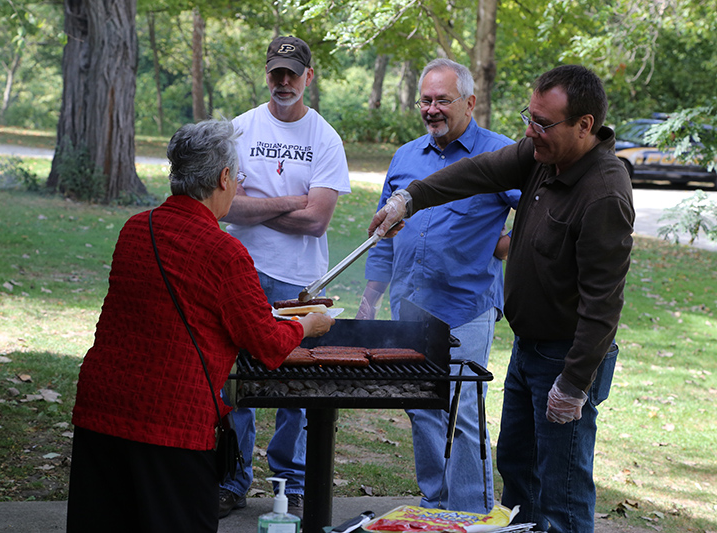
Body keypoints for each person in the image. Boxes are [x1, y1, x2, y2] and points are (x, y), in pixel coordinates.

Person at [368, 65, 634, 533]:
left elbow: (603, 303)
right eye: (529, 118)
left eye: (544, 123)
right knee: (518, 473)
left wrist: (573, 385)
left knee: (562, 490)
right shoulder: (541, 155)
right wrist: (409, 198)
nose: (532, 132)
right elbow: (476, 171)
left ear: (585, 125)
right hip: (528, 348)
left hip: (565, 357)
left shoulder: (603, 192)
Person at [66, 120, 335, 533]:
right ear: (224, 178)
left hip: (102, 409)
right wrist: (308, 326)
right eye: (239, 177)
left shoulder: (136, 228)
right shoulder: (225, 251)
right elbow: (266, 343)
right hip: (171, 419)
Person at [356, 58, 520, 514]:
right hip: (409, 306)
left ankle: (470, 514)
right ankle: (435, 504)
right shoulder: (406, 156)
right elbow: (382, 234)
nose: (432, 109)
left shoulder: (500, 153)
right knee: (421, 406)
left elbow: (539, 212)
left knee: (462, 412)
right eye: (426, 100)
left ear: (470, 102)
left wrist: (504, 243)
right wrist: (371, 296)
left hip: (467, 306)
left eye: (442, 100)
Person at [218, 35, 351, 518]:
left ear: (308, 78)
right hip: (243, 271)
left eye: (293, 73)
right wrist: (292, 201)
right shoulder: (238, 130)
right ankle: (232, 479)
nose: (284, 81)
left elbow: (318, 221)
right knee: (237, 382)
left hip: (302, 282)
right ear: (267, 73)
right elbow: (222, 206)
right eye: (277, 72)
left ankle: (290, 482)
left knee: (296, 388)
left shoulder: (325, 138)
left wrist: (251, 208)